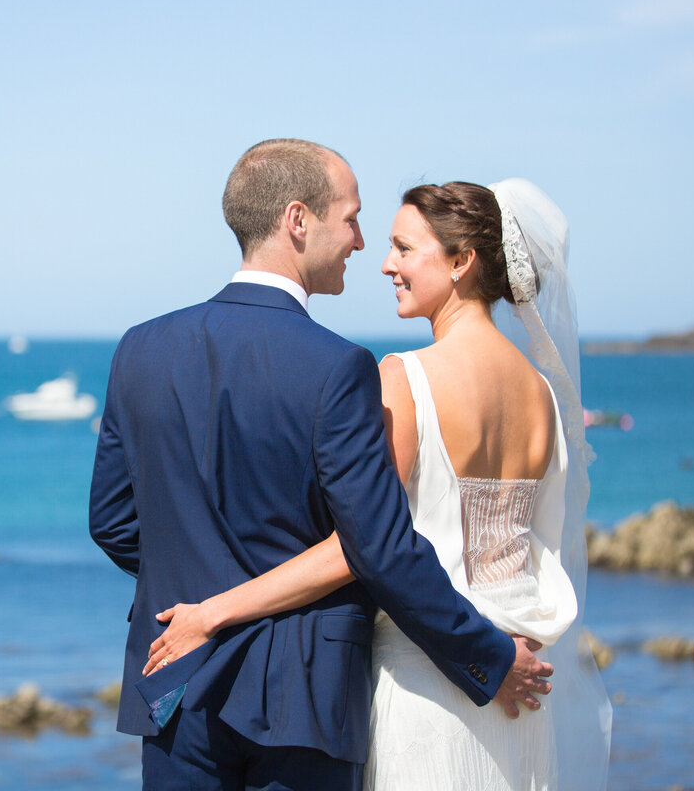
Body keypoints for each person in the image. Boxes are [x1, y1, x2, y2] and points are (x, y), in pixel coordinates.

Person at [89, 139, 553, 791]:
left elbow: (111, 522)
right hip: (303, 693)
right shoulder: (338, 367)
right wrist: (488, 655)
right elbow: (381, 549)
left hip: (175, 680)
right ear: (298, 221)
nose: (362, 243)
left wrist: (197, 587)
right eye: (353, 218)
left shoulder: (140, 350)